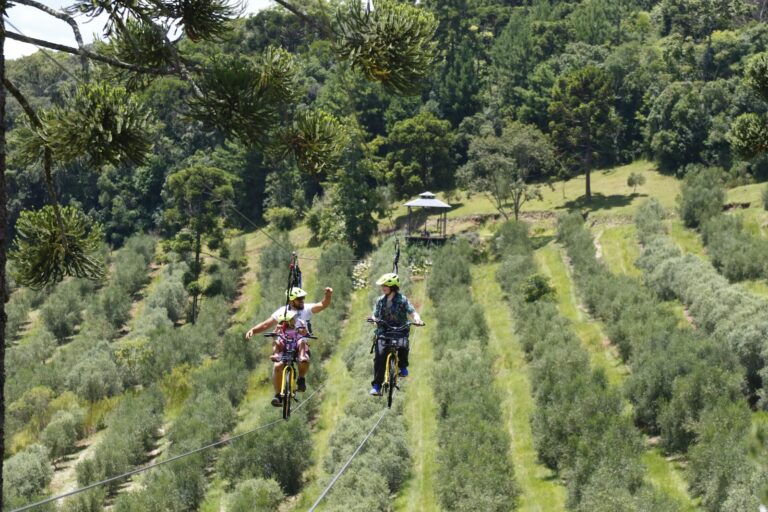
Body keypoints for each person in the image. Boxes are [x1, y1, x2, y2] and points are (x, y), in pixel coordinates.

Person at [245, 286, 333, 405]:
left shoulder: (306, 309)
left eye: (303, 298)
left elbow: (322, 305)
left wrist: (328, 295)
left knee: (304, 360)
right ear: (291, 301)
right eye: (299, 299)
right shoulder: (282, 311)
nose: (302, 300)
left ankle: (301, 378)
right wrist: (253, 331)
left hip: (299, 343)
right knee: (277, 366)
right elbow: (267, 324)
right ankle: (278, 396)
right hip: (285, 344)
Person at [368, 273, 424, 396]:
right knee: (379, 357)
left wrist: (417, 319)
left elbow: (412, 311)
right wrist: (373, 320)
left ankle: (403, 367)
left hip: (400, 330)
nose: (383, 287)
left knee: (403, 345)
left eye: (385, 285)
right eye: (382, 285)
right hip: (384, 332)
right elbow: (375, 315)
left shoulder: (402, 300)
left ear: (393, 286)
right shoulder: (380, 301)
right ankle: (377, 386)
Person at [269, 310, 310, 406]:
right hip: (285, 348)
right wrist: (275, 333)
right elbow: (274, 337)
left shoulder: (299, 323)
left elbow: (305, 333)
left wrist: (302, 330)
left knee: (302, 343)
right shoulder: (281, 326)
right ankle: (278, 395)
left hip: (296, 347)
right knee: (277, 365)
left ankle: (302, 357)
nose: (293, 320)